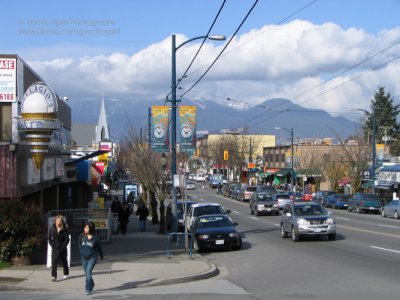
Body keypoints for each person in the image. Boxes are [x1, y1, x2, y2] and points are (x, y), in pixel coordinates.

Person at [79, 221, 104, 295]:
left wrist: (101, 255)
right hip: (83, 258)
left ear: (91, 229)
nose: (85, 229)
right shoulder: (81, 236)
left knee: (88, 272)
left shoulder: (95, 238)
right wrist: (81, 251)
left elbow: (99, 248)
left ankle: (88, 288)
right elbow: (79, 245)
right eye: (85, 227)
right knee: (87, 273)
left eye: (87, 227)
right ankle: (91, 284)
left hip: (92, 258)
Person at [48, 215, 70, 282]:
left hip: (62, 248)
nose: (58, 222)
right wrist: (53, 245)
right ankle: (54, 276)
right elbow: (50, 239)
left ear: (62, 222)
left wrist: (63, 246)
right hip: (55, 248)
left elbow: (67, 239)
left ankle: (66, 273)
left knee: (64, 261)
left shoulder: (64, 230)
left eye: (60, 221)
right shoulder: (52, 229)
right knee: (54, 263)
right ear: (55, 221)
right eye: (57, 221)